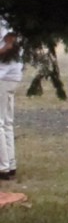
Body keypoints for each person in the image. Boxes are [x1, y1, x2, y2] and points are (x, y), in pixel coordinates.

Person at [0, 18, 23, 180]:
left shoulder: (5, 20)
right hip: (11, 74)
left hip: (4, 74)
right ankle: (10, 163)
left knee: (0, 122)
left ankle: (3, 166)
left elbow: (9, 46)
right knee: (6, 121)